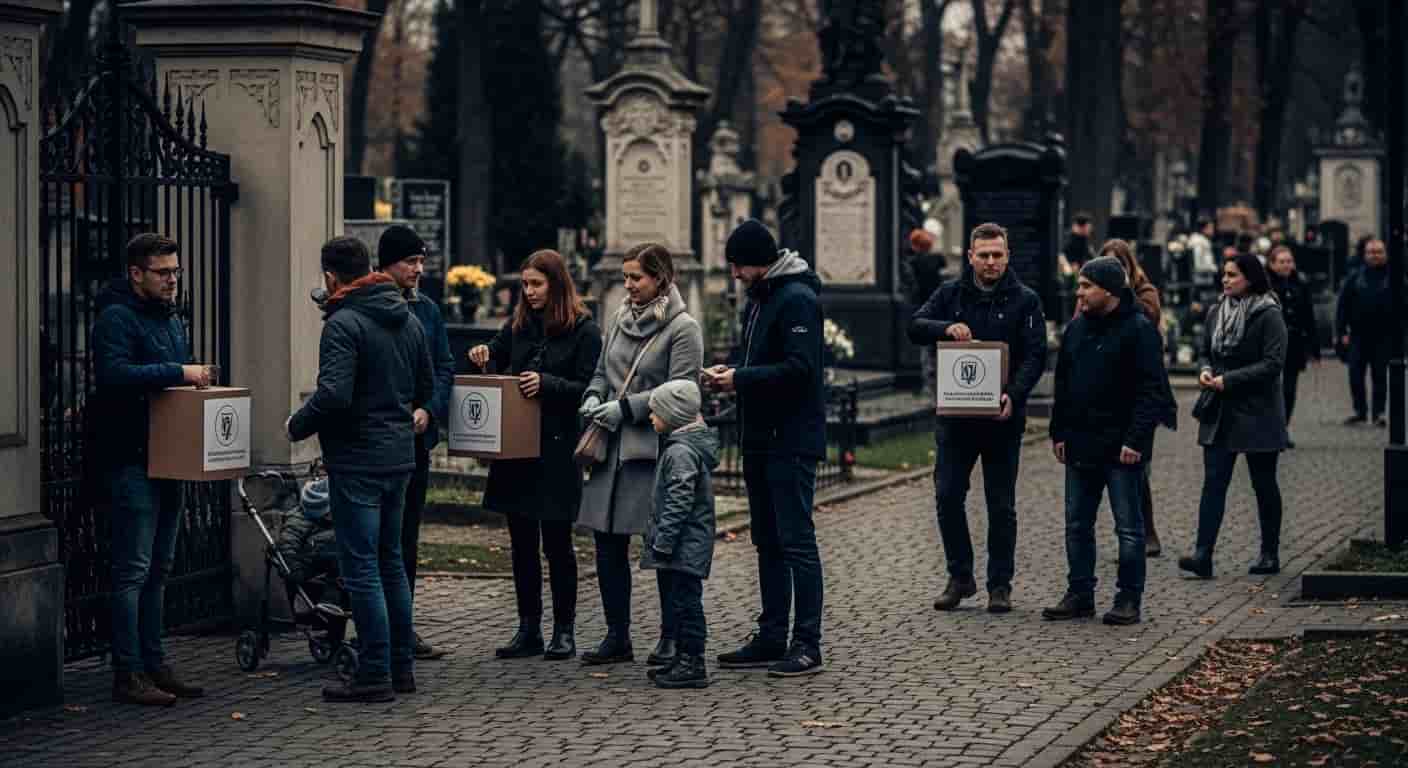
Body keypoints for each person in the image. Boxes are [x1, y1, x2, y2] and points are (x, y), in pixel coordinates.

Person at [287, 236, 434, 702]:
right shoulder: (407, 319)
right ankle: (400, 667)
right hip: (399, 458)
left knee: (362, 568)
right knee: (391, 563)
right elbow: (425, 384)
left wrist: (297, 424)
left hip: (357, 461)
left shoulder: (344, 323)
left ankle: (373, 671)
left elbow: (333, 394)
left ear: (331, 277)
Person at [704, 219, 827, 678]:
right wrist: (734, 370)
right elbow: (762, 362)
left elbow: (799, 369)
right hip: (758, 437)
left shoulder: (797, 299)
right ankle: (773, 634)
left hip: (790, 439)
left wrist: (741, 378)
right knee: (767, 541)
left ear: (759, 260)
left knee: (796, 542)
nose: (734, 273)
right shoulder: (760, 299)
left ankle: (807, 643)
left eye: (738, 265)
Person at [93, 233, 211, 706]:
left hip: (169, 456)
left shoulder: (170, 318)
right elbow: (114, 374)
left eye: (176, 272)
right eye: (163, 273)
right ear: (136, 273)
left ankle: (155, 662)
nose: (172, 281)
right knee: (133, 571)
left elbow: (172, 375)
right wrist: (179, 372)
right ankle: (129, 672)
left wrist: (192, 382)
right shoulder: (116, 318)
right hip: (130, 458)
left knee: (159, 567)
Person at [907, 222, 1047, 613]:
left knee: (1001, 505)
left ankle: (1000, 584)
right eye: (983, 255)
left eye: (997, 255)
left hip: (1002, 419)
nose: (990, 262)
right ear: (970, 257)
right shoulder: (950, 293)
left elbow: (1036, 355)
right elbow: (914, 326)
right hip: (956, 420)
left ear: (1007, 255)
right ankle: (960, 576)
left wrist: (1014, 396)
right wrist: (944, 327)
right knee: (948, 496)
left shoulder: (1026, 300)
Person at [470, 250, 602, 661]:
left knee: (557, 544)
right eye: (524, 285)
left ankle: (564, 630)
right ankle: (528, 629)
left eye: (536, 284)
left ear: (556, 284)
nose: (528, 292)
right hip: (517, 449)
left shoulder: (584, 330)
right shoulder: (519, 324)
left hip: (557, 448)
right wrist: (482, 354)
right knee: (521, 544)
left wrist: (547, 383)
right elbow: (495, 351)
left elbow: (589, 388)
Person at [577, 243, 703, 667]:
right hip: (610, 449)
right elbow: (601, 371)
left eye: (636, 278)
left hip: (652, 448)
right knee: (607, 543)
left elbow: (682, 391)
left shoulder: (683, 328)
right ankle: (618, 635)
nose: (627, 285)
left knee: (661, 544)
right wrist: (594, 396)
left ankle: (671, 635)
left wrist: (625, 407)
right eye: (626, 277)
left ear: (661, 279)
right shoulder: (617, 317)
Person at [1045, 257, 1173, 626]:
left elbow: (1152, 392)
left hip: (1122, 448)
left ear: (1110, 290)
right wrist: (1059, 432)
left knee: (1129, 529)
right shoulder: (1077, 329)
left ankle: (1128, 598)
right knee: (1077, 524)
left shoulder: (1139, 330)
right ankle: (1080, 593)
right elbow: (1064, 385)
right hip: (1081, 442)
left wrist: (1136, 440)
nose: (1079, 292)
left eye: (1086, 286)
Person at [1179, 253, 1289, 580]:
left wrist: (1230, 380)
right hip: (1221, 411)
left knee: (1263, 483)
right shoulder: (1217, 312)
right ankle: (1203, 554)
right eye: (1224, 275)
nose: (1225, 280)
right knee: (1214, 483)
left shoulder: (1268, 314)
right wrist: (1205, 370)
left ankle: (1269, 553)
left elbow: (1273, 363)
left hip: (1258, 411)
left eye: (1232, 275)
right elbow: (1205, 352)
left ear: (1251, 279)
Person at [377, 225, 456, 660]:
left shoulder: (426, 310)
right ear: (387, 264)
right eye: (411, 262)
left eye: (422, 261)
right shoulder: (363, 307)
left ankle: (403, 629)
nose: (419, 270)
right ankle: (377, 629)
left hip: (416, 442)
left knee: (406, 538)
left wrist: (430, 409)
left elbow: (444, 366)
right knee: (378, 542)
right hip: (378, 439)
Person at [640, 380, 720, 690]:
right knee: (680, 601)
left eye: (655, 412)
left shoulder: (681, 453)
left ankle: (693, 662)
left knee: (687, 603)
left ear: (673, 416)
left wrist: (664, 541)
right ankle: (683, 657)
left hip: (684, 544)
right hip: (683, 543)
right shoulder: (679, 447)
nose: (650, 417)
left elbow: (679, 502)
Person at [1096, 240, 1170, 558]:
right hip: (1105, 393)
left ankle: (1146, 531)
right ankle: (1128, 531)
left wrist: (1123, 290)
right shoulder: (1095, 292)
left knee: (1137, 466)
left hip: (1139, 394)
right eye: (1107, 264)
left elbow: (1150, 320)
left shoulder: (1145, 291)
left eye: (1118, 264)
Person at [1267, 245, 1320, 446]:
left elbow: (1308, 316)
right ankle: (1269, 428)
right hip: (1270, 345)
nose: (1287, 265)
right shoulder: (1264, 285)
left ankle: (1282, 429)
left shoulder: (1300, 284)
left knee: (1289, 390)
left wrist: (1314, 348)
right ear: (1272, 264)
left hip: (1294, 344)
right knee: (1270, 389)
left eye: (1289, 261)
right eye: (1282, 262)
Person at [1337, 237, 1391, 426]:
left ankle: (1379, 413)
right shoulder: (1354, 277)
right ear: (1364, 254)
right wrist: (1341, 331)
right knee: (1355, 376)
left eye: (1378, 252)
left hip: (1384, 336)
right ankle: (1360, 411)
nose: (1375, 255)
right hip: (1358, 335)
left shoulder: (1395, 277)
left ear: (1385, 254)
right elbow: (1342, 307)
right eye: (1371, 252)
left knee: (1380, 376)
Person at [903, 228, 946, 398]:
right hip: (939, 310)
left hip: (921, 310)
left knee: (925, 350)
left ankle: (928, 387)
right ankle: (940, 386)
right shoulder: (937, 260)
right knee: (937, 348)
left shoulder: (913, 263)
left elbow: (912, 288)